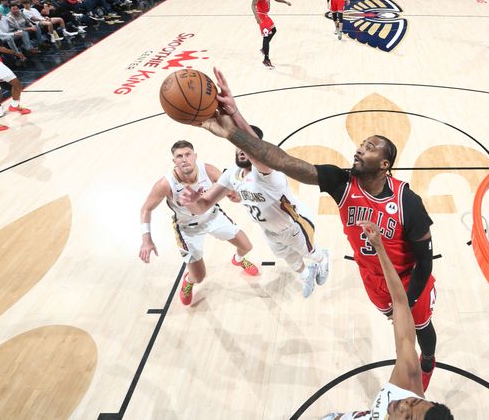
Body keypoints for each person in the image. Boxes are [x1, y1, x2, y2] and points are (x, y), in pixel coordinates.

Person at [197, 68, 440, 391]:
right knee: (396, 323)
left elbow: (425, 261)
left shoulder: (408, 202)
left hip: (409, 278)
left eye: (369, 147)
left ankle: (428, 361)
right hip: (372, 278)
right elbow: (279, 160)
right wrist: (234, 126)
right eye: (361, 144)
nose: (359, 149)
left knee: (419, 329)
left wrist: (407, 302)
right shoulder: (341, 182)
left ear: (385, 164)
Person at [179, 125, 330, 298]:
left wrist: (238, 128)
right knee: (287, 256)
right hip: (269, 230)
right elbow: (203, 205)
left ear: (257, 148)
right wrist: (191, 203)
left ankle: (323, 259)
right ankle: (306, 274)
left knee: (309, 252)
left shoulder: (268, 172)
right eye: (238, 144)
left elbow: (260, 158)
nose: (241, 149)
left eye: (247, 145)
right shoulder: (232, 174)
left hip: (294, 225)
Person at [321, 222, 453, 420]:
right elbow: (400, 304)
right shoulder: (408, 377)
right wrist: (380, 247)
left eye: (407, 416)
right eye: (414, 401)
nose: (403, 403)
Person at [139, 140, 260, 306]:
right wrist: (146, 240)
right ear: (174, 161)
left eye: (188, 154)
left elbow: (231, 190)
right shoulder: (165, 184)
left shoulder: (208, 170)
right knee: (199, 277)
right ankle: (188, 281)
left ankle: (238, 260)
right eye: (179, 156)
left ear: (195, 156)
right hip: (188, 229)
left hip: (213, 216)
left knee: (247, 246)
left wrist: (235, 195)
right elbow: (146, 209)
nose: (184, 159)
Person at [252, 0, 291, 69]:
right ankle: (266, 59)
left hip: (265, 15)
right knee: (266, 37)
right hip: (261, 15)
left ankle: (263, 49)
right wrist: (257, 17)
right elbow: (252, 5)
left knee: (274, 30)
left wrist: (285, 2)